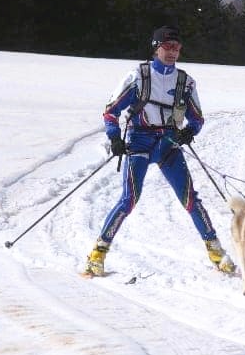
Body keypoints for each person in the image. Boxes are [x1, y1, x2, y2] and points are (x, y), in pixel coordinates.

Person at [83, 25, 234, 276]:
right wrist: (114, 138)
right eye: (167, 46)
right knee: (129, 200)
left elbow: (196, 119)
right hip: (139, 140)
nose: (173, 52)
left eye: (177, 47)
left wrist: (189, 132)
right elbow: (111, 111)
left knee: (190, 200)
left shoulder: (185, 82)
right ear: (156, 48)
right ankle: (97, 254)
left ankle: (216, 252)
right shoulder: (138, 76)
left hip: (168, 143)